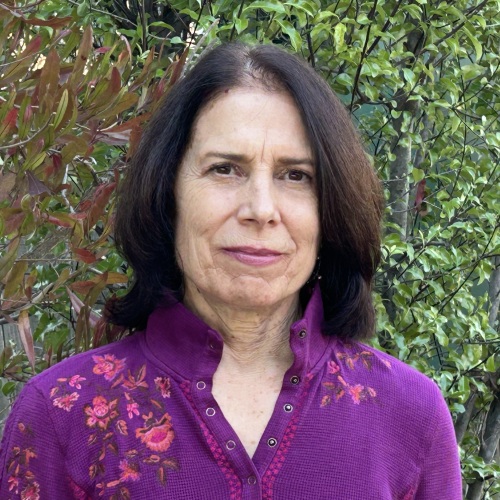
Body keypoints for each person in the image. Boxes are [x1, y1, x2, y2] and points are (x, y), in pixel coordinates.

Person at [0, 42, 461, 499]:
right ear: (167, 192)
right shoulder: (60, 416)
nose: (260, 209)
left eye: (296, 175)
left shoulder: (410, 416)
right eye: (225, 169)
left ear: (331, 209)